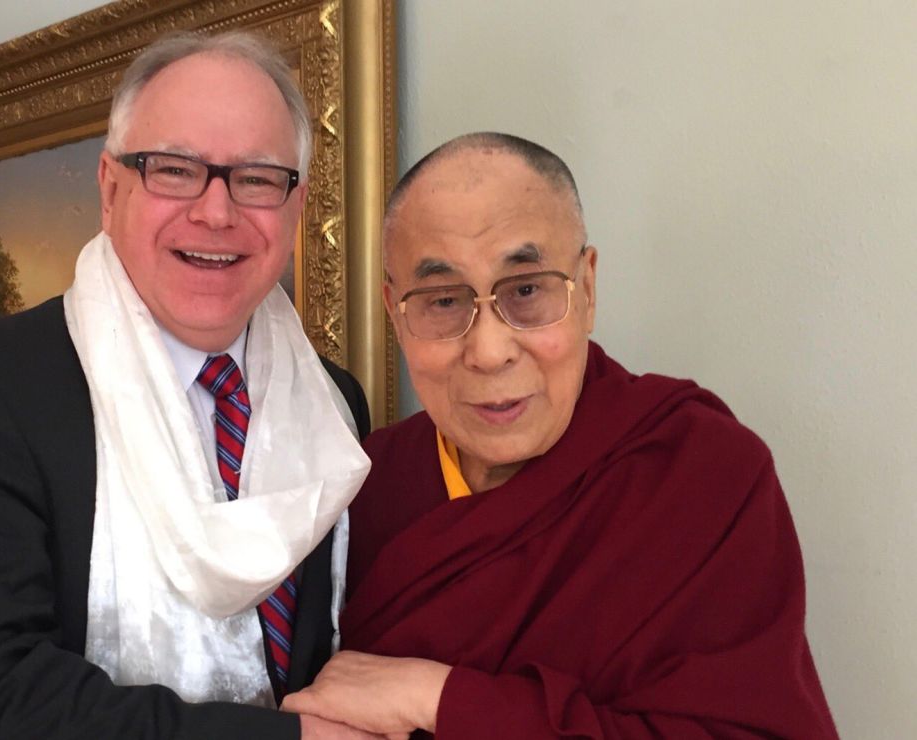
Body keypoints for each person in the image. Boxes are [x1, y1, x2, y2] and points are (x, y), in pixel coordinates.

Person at [0, 31, 379, 740]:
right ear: (111, 189)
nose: (216, 211)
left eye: (258, 177)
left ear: (295, 210)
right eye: (174, 169)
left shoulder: (335, 402)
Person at [282, 133, 839, 738]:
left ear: (588, 288)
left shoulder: (699, 470)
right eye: (443, 301)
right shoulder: (363, 485)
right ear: (395, 312)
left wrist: (442, 698)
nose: (490, 351)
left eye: (526, 290)